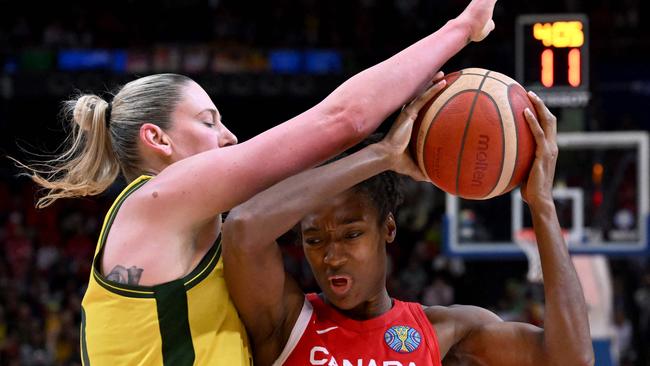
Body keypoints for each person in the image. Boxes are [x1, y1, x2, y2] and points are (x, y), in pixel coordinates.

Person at [14, 1, 499, 364]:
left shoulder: (193, 233)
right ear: (156, 138)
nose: (229, 136)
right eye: (209, 121)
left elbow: (316, 146)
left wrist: (381, 153)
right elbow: (341, 120)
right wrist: (462, 28)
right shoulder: (156, 202)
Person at [222, 86, 595, 365]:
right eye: (314, 239)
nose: (332, 256)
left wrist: (542, 206)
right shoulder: (286, 321)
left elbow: (572, 359)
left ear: (388, 228)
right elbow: (242, 228)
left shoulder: (443, 331)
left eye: (352, 234)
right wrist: (382, 156)